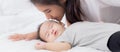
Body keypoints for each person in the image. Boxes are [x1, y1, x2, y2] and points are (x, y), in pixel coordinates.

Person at [9, 19, 120, 52]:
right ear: (50, 42)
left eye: (51, 26)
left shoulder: (73, 24)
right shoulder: (63, 38)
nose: (51, 31)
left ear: (61, 23)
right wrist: (45, 46)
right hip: (109, 39)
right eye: (47, 34)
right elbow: (64, 47)